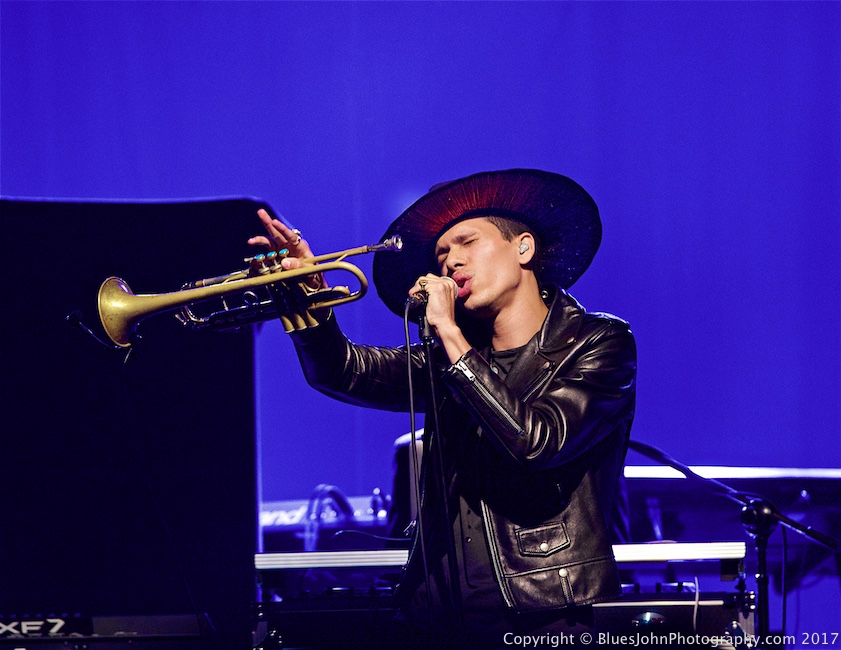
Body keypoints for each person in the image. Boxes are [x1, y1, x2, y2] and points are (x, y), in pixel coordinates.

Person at [249, 169, 637, 648]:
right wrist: (308, 300)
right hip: (434, 614)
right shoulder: (447, 359)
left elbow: (537, 442)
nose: (450, 261)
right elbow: (344, 371)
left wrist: (449, 335)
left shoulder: (598, 342)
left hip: (545, 612)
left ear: (524, 248)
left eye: (466, 242)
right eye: (441, 254)